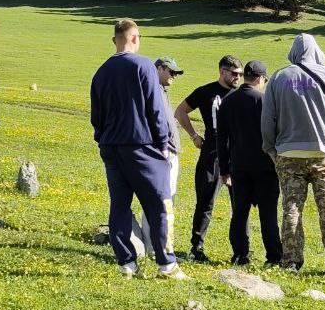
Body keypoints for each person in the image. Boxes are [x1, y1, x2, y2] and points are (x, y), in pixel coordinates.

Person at [89, 19, 187, 279]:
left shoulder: (100, 72)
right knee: (159, 203)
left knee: (119, 205)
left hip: (111, 146)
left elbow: (95, 116)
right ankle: (166, 264)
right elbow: (155, 108)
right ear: (135, 38)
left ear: (114, 40)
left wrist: (103, 138)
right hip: (142, 146)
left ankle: (127, 263)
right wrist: (163, 143)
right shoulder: (143, 65)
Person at [261, 33, 325, 276]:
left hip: (288, 153)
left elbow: (267, 118)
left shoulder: (279, 77)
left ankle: (290, 262)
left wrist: (270, 148)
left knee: (291, 207)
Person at [174, 54, 243, 261]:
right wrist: (194, 135)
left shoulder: (240, 95)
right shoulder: (206, 92)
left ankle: (240, 252)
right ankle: (197, 248)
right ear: (222, 72)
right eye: (234, 74)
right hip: (211, 154)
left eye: (240, 74)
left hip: (236, 155)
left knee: (239, 205)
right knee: (205, 202)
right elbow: (180, 111)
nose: (238, 78)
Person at [216, 60, 282, 267]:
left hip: (239, 166)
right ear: (261, 79)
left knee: (239, 213)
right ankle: (273, 257)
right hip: (265, 167)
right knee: (268, 214)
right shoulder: (265, 101)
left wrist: (225, 169)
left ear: (244, 76)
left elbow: (222, 138)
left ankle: (239, 255)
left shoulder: (228, 101)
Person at [135, 56, 185, 258]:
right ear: (158, 69)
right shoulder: (152, 89)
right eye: (171, 71)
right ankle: (154, 247)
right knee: (158, 200)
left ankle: (161, 245)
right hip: (161, 152)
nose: (174, 76)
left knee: (167, 200)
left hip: (169, 153)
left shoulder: (162, 91)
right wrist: (161, 148)